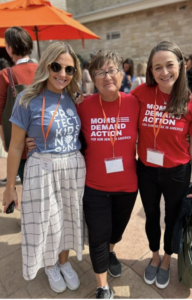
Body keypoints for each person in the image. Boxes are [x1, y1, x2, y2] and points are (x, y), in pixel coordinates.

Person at [26, 50, 139, 299]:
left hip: (128, 186)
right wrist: (35, 140)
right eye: (99, 72)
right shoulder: (82, 105)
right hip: (95, 186)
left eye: (111, 70)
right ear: (92, 77)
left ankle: (111, 251)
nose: (106, 76)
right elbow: (56, 124)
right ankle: (102, 286)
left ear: (122, 73)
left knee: (115, 232)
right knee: (98, 235)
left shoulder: (135, 102)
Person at [2, 42, 86, 294]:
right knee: (48, 221)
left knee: (70, 219)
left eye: (69, 69)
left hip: (73, 168)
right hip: (43, 169)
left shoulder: (75, 96)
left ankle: (64, 261)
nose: (62, 74)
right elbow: (16, 147)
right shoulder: (27, 99)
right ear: (45, 65)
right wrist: (9, 188)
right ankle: (50, 265)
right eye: (56, 66)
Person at [131, 41, 192, 289]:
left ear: (181, 66)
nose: (164, 72)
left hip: (177, 171)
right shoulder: (140, 93)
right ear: (151, 71)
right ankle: (154, 255)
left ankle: (166, 258)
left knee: (173, 217)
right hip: (147, 170)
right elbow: (112, 107)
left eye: (170, 65)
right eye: (158, 67)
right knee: (151, 215)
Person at [0, 26, 38, 184]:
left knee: (29, 188)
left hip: (20, 144)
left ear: (10, 48)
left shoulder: (6, 74)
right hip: (45, 139)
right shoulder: (44, 71)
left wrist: (5, 140)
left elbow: (1, 112)